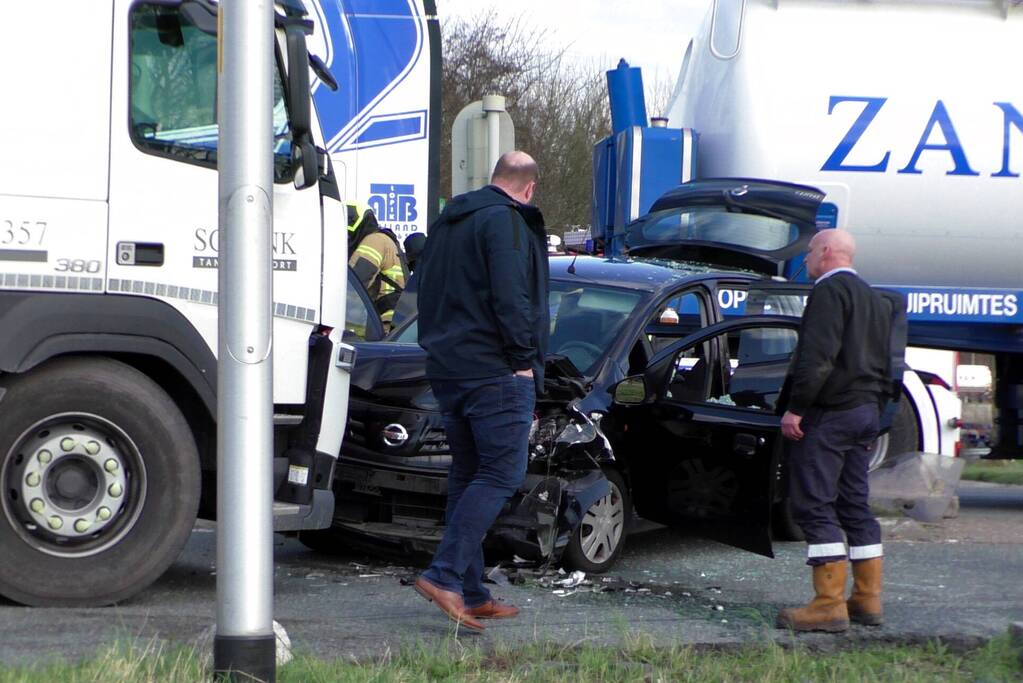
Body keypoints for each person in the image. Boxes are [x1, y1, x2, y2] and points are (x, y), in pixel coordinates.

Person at [412, 151, 548, 631]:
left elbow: (424, 292)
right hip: (495, 372)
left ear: (494, 178)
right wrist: (522, 360)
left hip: (448, 368)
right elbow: (513, 296)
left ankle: (471, 592)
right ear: (529, 189)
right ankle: (444, 575)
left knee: (469, 476)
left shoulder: (448, 223)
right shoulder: (505, 222)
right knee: (502, 474)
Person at [776, 229, 894, 633]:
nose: (806, 259)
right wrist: (875, 408)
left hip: (831, 413)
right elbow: (889, 361)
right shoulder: (874, 298)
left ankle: (828, 605)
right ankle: (867, 599)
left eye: (809, 251)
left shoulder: (828, 292)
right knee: (854, 505)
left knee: (814, 504)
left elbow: (817, 357)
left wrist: (796, 409)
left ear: (825, 251)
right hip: (865, 412)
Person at [347, 203, 408, 330]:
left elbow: (357, 280)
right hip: (392, 320)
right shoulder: (383, 239)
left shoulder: (374, 240)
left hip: (384, 322)